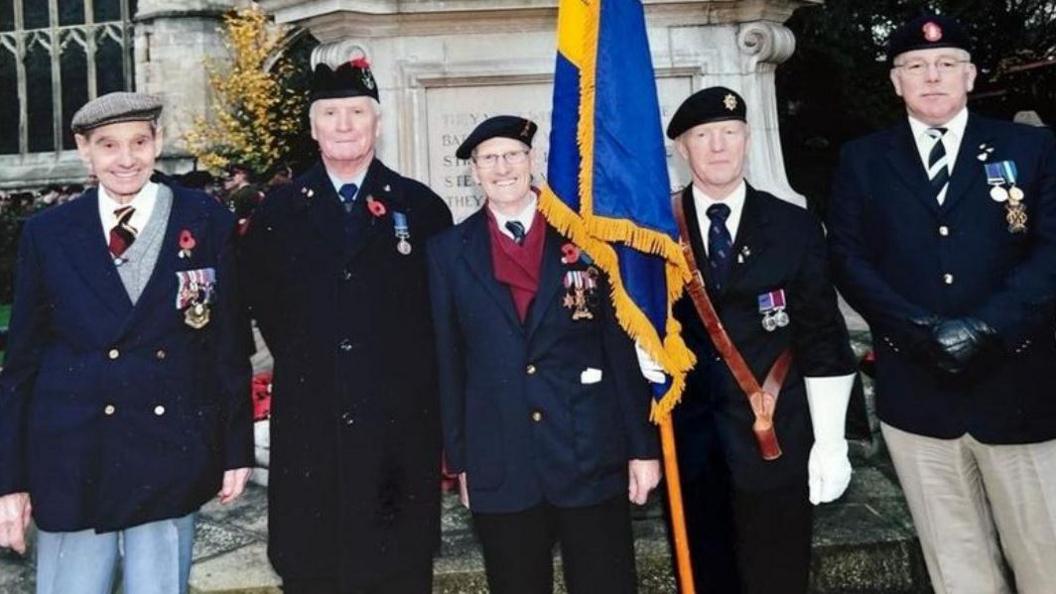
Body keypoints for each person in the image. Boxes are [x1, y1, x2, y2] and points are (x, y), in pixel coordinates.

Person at [828, 14, 1056, 594]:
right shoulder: (864, 159)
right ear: (895, 82)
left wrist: (985, 327)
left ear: (971, 77)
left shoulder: (1031, 147)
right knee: (957, 569)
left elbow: (1051, 253)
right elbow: (850, 259)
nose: (932, 76)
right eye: (915, 67)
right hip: (919, 391)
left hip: (1017, 389)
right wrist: (920, 329)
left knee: (1045, 559)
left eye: (946, 64)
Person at [0, 91, 253, 593]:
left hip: (167, 444)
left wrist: (236, 447)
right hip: (73, 450)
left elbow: (228, 345)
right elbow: (22, 362)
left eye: (139, 141)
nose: (126, 158)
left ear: (157, 142)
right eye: (109, 145)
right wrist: (10, 479)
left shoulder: (204, 220)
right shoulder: (49, 233)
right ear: (84, 151)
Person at [239, 49, 452, 593]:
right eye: (330, 115)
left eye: (357, 113)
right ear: (313, 128)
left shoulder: (421, 209)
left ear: (377, 123)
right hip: (314, 428)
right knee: (315, 571)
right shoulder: (277, 214)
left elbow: (436, 318)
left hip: (396, 433)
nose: (344, 126)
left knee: (398, 571)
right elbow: (268, 308)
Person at [427, 115, 661, 594]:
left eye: (512, 154)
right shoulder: (448, 252)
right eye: (488, 158)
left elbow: (618, 349)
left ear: (531, 161)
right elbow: (449, 362)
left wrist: (642, 447)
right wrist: (460, 459)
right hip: (501, 459)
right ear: (473, 172)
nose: (502, 167)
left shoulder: (588, 238)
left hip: (588, 452)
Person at [659, 87, 856, 594]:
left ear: (748, 139)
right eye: (703, 136)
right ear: (682, 149)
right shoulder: (652, 231)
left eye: (729, 133)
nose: (718, 146)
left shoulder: (793, 224)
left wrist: (831, 441)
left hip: (776, 434)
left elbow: (822, 333)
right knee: (704, 575)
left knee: (779, 573)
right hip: (691, 441)